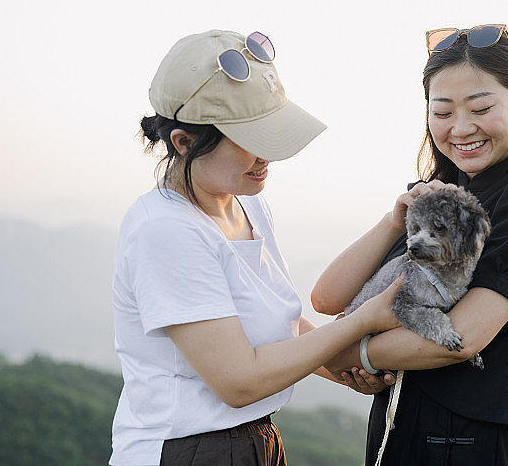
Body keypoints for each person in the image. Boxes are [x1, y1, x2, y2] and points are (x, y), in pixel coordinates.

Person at [110, 29, 400, 466]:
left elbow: (278, 324)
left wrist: (349, 365)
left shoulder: (248, 205)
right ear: (184, 143)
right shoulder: (165, 230)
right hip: (188, 451)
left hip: (255, 441)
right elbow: (238, 381)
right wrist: (361, 322)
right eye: (251, 141)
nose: (269, 156)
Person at [312, 24, 508, 466]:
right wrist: (390, 221)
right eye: (443, 111)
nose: (461, 128)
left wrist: (343, 353)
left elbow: (463, 336)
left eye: (480, 107)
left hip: (472, 443)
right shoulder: (434, 195)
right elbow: (327, 298)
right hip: (398, 428)